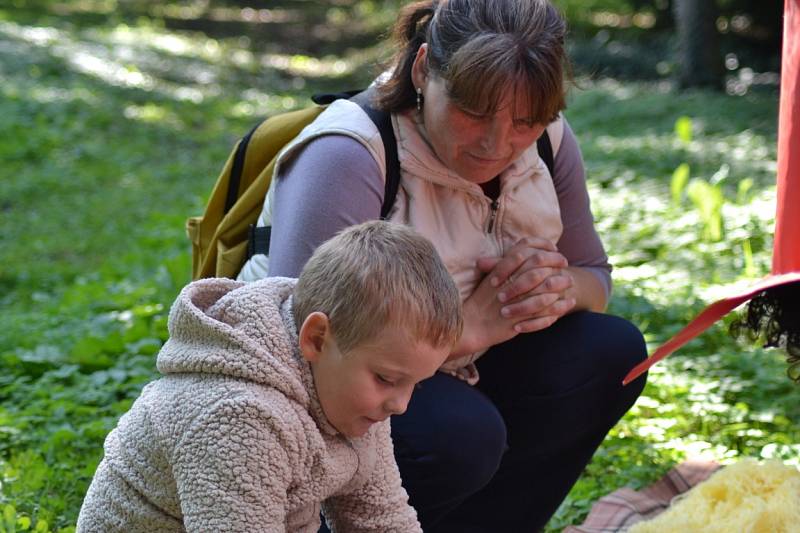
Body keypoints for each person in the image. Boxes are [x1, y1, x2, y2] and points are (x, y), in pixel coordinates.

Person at [239, 0, 648, 530]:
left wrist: (554, 288)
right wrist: (472, 324)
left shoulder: (548, 140)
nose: (495, 145)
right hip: (328, 391)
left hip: (462, 362)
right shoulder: (350, 153)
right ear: (423, 68)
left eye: (524, 121)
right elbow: (305, 353)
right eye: (473, 111)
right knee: (461, 434)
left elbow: (594, 275)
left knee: (609, 352)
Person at [76, 221, 463, 533]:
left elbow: (380, 519)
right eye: (386, 378)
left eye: (416, 383)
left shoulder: (351, 394)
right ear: (316, 338)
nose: (401, 404)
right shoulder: (237, 416)